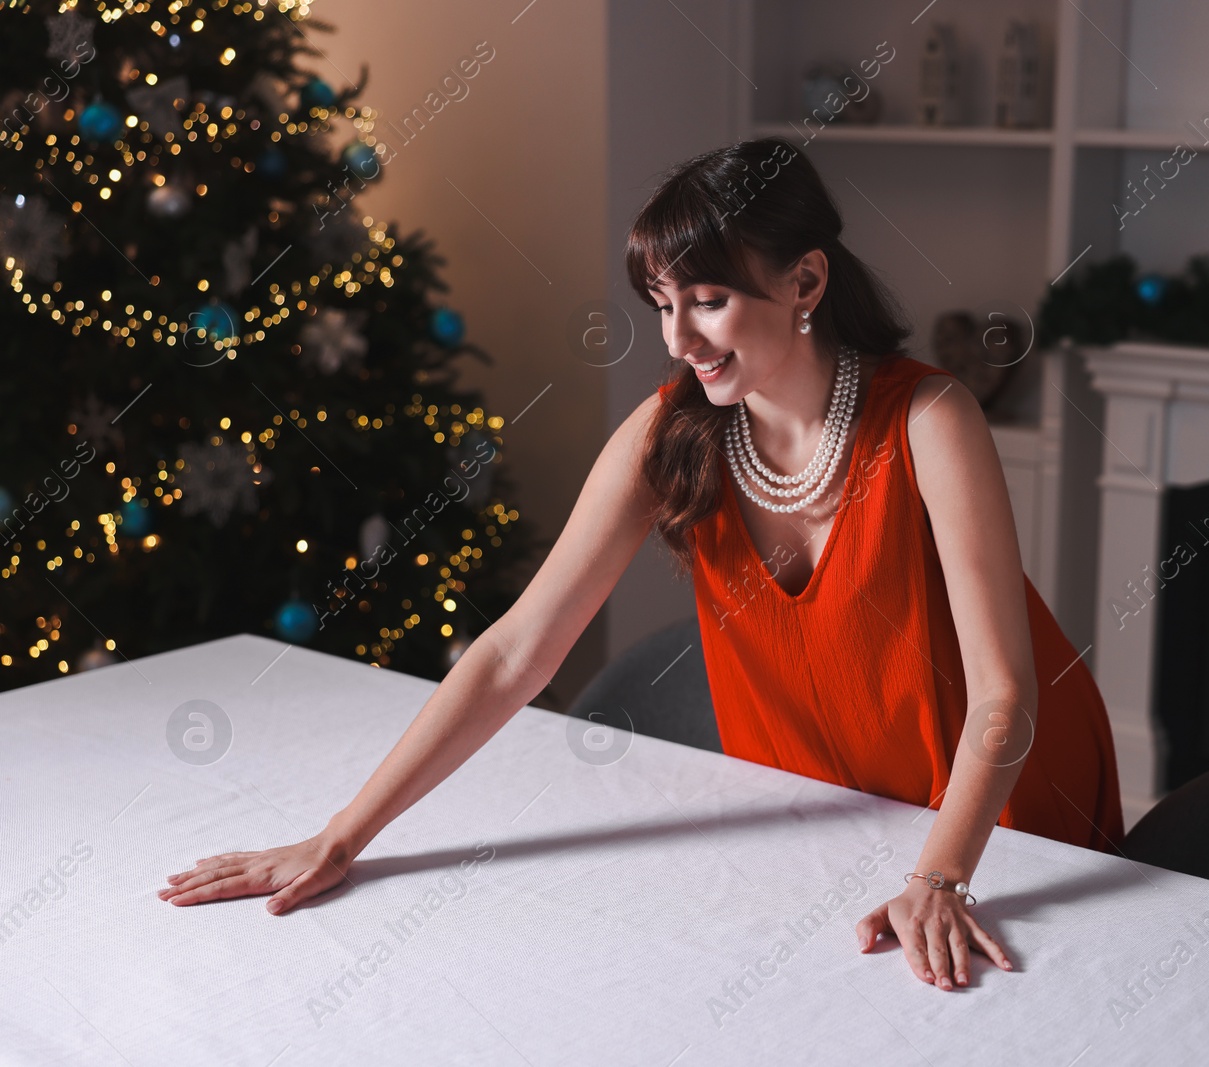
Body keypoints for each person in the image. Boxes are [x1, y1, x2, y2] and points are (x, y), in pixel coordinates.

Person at [161, 137, 1124, 994]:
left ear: (806, 282)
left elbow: (1005, 690)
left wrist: (940, 877)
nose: (677, 337)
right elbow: (514, 653)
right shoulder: (673, 432)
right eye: (663, 303)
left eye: (708, 300)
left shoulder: (931, 418)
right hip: (820, 815)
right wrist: (341, 836)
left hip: (992, 815)